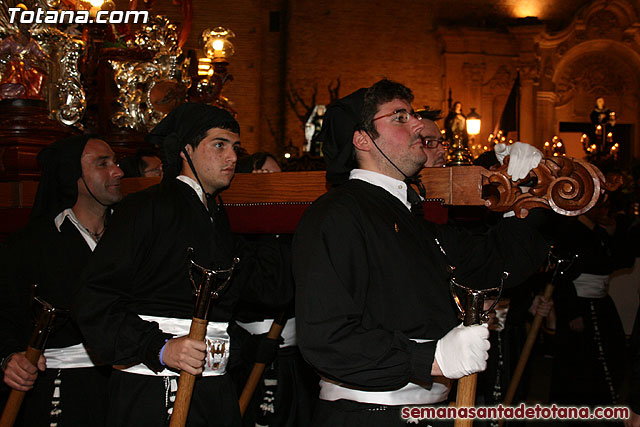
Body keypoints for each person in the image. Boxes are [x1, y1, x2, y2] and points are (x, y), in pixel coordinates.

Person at [293, 79, 550, 426]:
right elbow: (326, 337)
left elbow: (495, 265)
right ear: (362, 139)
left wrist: (517, 196)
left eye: (412, 114)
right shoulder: (337, 214)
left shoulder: (415, 216)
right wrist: (431, 358)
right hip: (369, 416)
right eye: (400, 117)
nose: (417, 124)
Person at [74, 103, 292, 426]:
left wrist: (277, 223)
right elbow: (94, 300)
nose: (232, 158)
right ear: (186, 150)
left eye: (235, 147)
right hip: (155, 388)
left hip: (215, 392)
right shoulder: (144, 209)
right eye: (219, 145)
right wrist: (160, 348)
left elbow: (265, 290)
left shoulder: (219, 219)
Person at [0, 135, 123, 425]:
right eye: (102, 164)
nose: (118, 171)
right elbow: (4, 309)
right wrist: (8, 357)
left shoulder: (131, 234)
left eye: (115, 162)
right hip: (62, 387)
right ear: (72, 175)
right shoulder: (31, 244)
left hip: (126, 385)